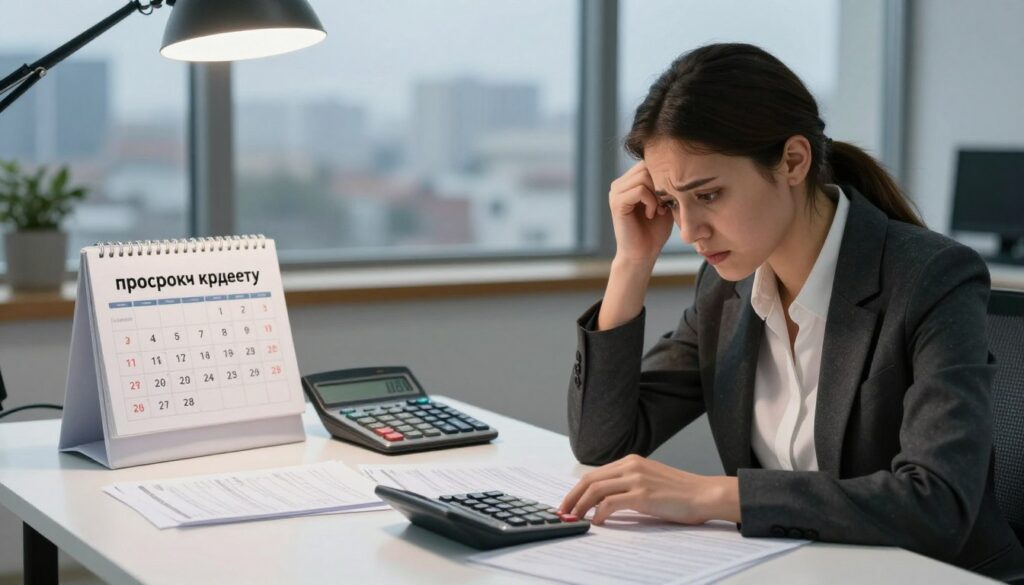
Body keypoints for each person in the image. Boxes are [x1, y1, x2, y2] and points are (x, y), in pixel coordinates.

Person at [559, 43, 1024, 581]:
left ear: (793, 161)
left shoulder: (931, 278)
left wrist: (716, 495)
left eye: (707, 195)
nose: (687, 231)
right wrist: (632, 263)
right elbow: (603, 442)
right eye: (670, 202)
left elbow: (937, 505)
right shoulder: (725, 290)